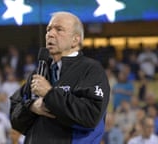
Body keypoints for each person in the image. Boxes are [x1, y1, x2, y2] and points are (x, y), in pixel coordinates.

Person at [10, 11, 110, 144]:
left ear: (75, 39)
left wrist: (49, 94)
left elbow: (90, 117)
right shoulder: (40, 72)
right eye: (48, 30)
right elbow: (15, 118)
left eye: (59, 29)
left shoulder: (91, 70)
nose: (50, 34)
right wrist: (32, 107)